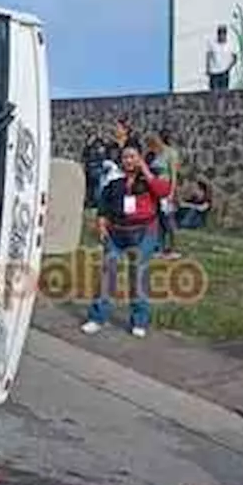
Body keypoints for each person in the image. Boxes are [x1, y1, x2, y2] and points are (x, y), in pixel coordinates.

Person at [81, 145, 172, 339]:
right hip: (117, 233)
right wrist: (101, 224)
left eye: (132, 157)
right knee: (108, 273)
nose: (128, 161)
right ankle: (97, 317)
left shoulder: (150, 179)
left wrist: (145, 170)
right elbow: (104, 205)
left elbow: (163, 191)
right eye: (125, 157)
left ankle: (139, 321)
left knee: (138, 274)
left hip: (143, 232)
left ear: (139, 158)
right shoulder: (115, 182)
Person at [144, 129, 183, 259]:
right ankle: (159, 247)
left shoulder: (171, 154)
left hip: (166, 191)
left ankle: (173, 248)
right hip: (154, 191)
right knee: (158, 220)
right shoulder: (153, 154)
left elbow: (173, 175)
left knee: (169, 220)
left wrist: (172, 193)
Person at [205, 25, 235, 91]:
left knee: (224, 91)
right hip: (214, 72)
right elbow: (208, 55)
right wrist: (208, 68)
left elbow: (234, 57)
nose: (221, 36)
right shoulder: (212, 43)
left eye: (223, 34)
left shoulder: (230, 44)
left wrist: (229, 68)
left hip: (224, 72)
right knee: (214, 92)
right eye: (220, 34)